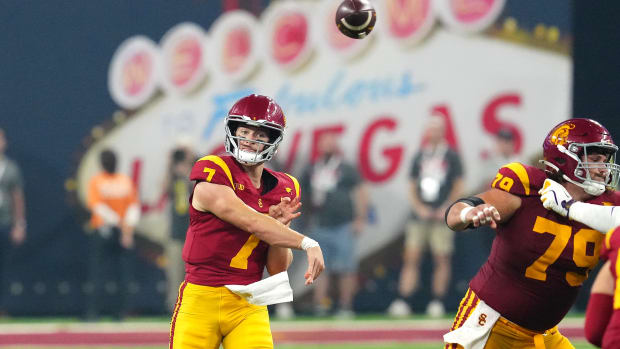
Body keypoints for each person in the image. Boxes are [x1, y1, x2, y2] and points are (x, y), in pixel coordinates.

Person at [442, 118, 620, 348]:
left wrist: (571, 208)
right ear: (565, 159)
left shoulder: (608, 205)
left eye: (605, 161)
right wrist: (469, 214)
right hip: (490, 325)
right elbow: (455, 214)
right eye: (595, 159)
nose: (602, 169)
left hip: (544, 335)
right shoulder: (528, 187)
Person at [169, 94, 324, 349]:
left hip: (249, 301)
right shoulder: (213, 170)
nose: (250, 141)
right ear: (232, 131)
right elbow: (250, 221)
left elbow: (277, 268)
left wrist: (279, 230)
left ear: (273, 141)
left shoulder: (285, 187)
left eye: (260, 135)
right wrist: (307, 243)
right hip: (201, 297)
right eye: (244, 131)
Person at [387, 115, 463, 318]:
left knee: (441, 257)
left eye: (437, 129)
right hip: (419, 215)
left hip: (440, 215)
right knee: (411, 257)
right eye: (430, 129)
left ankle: (437, 301)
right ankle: (403, 300)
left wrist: (446, 208)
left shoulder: (451, 156)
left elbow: (458, 184)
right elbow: (411, 185)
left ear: (443, 131)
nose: (433, 133)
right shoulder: (421, 155)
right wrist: (419, 207)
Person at [299, 131, 369, 318]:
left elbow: (361, 192)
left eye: (331, 143)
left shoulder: (346, 168)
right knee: (319, 267)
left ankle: (346, 306)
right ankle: (320, 305)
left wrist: (360, 218)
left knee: (347, 267)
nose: (327, 146)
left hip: (343, 223)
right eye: (325, 142)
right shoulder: (312, 168)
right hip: (320, 222)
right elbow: (302, 194)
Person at [86, 149, 140, 320]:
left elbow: (100, 207)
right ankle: (104, 312)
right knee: (109, 273)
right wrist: (126, 228)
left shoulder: (101, 181)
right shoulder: (123, 181)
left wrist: (124, 228)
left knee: (110, 273)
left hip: (109, 230)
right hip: (116, 230)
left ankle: (107, 313)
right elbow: (132, 208)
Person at [163, 145, 195, 312]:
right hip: (176, 232)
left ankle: (192, 308)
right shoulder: (173, 177)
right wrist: (170, 166)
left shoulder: (195, 175)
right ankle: (173, 308)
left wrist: (188, 172)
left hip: (193, 233)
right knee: (174, 273)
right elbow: (164, 189)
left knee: (193, 275)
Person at [0, 128, 26, 316]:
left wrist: (19, 224)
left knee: (2, 267)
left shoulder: (10, 168)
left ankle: (2, 306)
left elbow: (17, 197)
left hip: (4, 222)